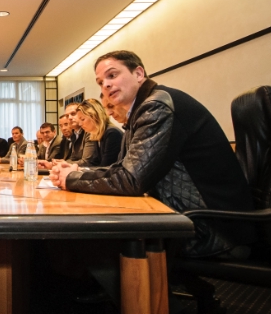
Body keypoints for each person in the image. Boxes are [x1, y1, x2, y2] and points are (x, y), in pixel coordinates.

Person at [51, 50, 255, 259]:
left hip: (210, 229)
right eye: (101, 82)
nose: (106, 85)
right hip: (191, 218)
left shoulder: (156, 107)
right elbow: (121, 168)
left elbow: (131, 180)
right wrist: (77, 172)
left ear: (139, 74)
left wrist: (72, 179)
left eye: (112, 75)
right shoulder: (141, 110)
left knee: (76, 241)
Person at [70, 98, 122, 168]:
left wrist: (78, 171)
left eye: (82, 119)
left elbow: (106, 167)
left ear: (94, 116)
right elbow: (95, 163)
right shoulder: (97, 134)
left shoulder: (112, 134)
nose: (80, 124)